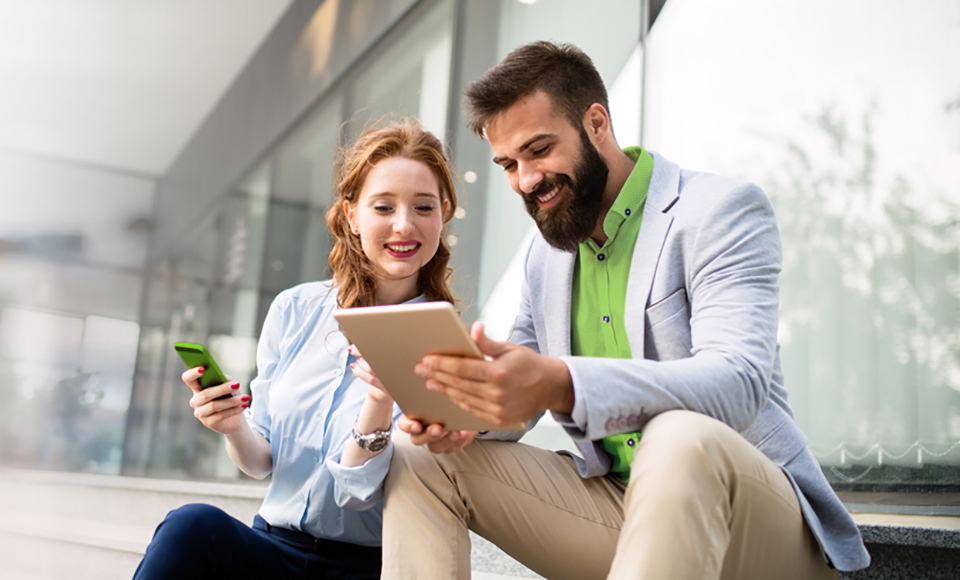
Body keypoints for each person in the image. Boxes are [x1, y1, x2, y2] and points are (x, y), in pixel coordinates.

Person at [370, 42, 871, 579]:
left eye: (539, 150)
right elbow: (519, 391)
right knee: (419, 454)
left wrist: (560, 382)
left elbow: (740, 383)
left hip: (754, 522)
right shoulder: (546, 255)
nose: (525, 180)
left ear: (596, 122)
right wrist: (462, 414)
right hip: (625, 513)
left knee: (676, 434)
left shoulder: (718, 212)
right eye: (509, 164)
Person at [132, 117, 460, 580]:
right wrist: (232, 427)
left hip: (367, 567)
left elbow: (359, 494)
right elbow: (261, 462)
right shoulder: (296, 309)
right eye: (383, 207)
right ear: (352, 214)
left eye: (423, 207)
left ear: (442, 213)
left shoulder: (443, 343)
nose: (404, 225)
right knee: (191, 526)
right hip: (273, 546)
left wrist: (378, 401)